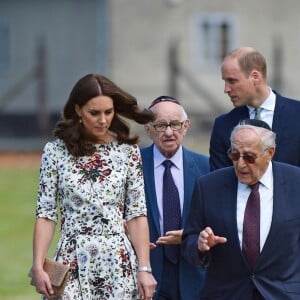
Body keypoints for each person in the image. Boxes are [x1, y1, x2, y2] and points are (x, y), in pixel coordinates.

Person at [29, 74, 157, 300]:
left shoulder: (127, 152)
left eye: (108, 112)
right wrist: (38, 266)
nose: (103, 120)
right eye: (94, 113)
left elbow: (137, 214)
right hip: (71, 258)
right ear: (78, 110)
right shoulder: (55, 152)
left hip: (118, 261)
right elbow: (46, 213)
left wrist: (144, 268)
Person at [182, 122, 300, 299]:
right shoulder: (208, 186)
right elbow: (188, 241)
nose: (241, 164)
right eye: (235, 155)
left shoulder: (296, 182)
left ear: (270, 153)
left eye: (249, 157)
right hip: (226, 294)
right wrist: (200, 246)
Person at [141, 96, 210, 300]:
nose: (169, 132)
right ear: (148, 129)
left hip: (193, 273)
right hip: (146, 274)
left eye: (175, 124)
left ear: (186, 126)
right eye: (161, 125)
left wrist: (191, 235)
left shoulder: (206, 167)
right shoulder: (132, 165)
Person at [209, 46, 300, 171]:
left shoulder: (297, 115)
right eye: (225, 81)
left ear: (255, 77)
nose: (226, 89)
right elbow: (220, 182)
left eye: (232, 81)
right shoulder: (223, 125)